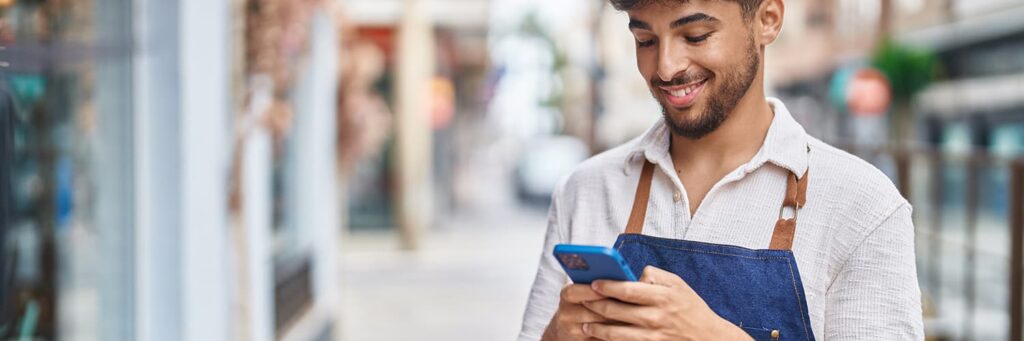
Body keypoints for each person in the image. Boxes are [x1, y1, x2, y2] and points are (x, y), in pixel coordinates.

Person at [518, 0, 924, 340]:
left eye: (695, 36)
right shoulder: (584, 190)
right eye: (645, 40)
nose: (666, 67)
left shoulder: (864, 207)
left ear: (767, 19)